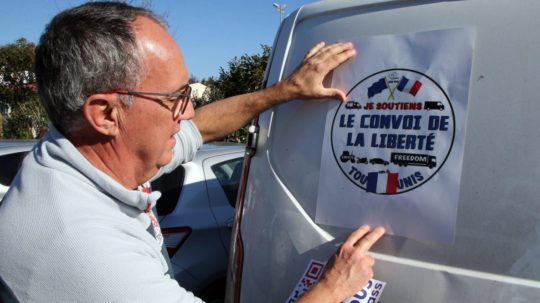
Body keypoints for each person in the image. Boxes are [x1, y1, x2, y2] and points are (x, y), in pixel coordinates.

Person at [0, 2, 385, 303]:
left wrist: (284, 91)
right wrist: (334, 287)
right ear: (105, 114)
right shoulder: (82, 246)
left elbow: (201, 126)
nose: (185, 111)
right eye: (174, 98)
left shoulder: (83, 154)